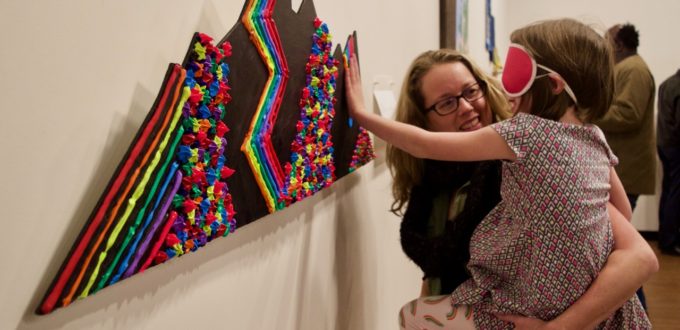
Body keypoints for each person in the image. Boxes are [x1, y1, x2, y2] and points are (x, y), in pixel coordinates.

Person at [345, 19, 657, 329]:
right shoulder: (595, 138)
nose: (466, 108)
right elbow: (621, 212)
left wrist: (362, 115)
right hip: (581, 302)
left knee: (413, 316)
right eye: (447, 103)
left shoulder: (523, 133)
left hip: (527, 308)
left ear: (553, 85)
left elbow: (423, 144)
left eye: (518, 71)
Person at [594, 22, 656, 310]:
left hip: (628, 168)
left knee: (622, 248)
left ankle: (635, 309)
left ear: (618, 45)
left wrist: (587, 110)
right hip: (624, 167)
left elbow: (628, 114)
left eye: (608, 41)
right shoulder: (629, 68)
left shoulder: (634, 70)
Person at [657, 69, 680, 256]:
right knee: (675, 193)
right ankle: (670, 240)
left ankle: (665, 236)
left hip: (664, 144)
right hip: (676, 145)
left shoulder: (666, 83)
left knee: (669, 190)